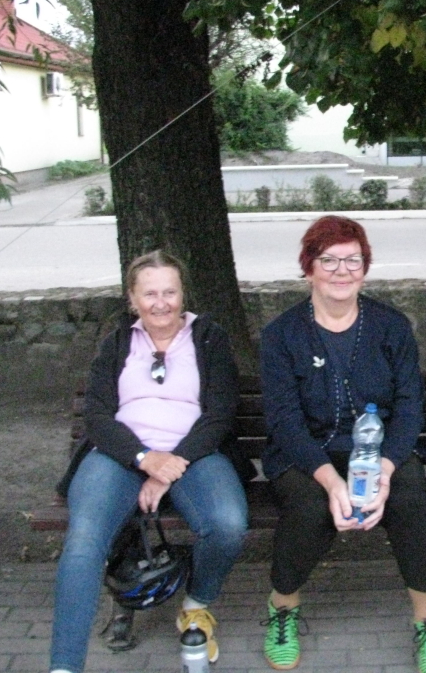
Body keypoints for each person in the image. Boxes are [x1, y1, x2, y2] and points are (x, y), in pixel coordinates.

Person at [258, 215, 426, 673]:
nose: (341, 271)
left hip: (382, 451)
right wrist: (332, 482)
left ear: (365, 267)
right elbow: (285, 421)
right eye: (329, 260)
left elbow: (409, 406)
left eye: (353, 260)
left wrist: (385, 469)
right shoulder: (282, 334)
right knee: (310, 509)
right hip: (306, 455)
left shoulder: (390, 326)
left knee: (410, 500)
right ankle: (282, 607)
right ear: (309, 267)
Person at [49, 250, 248, 673]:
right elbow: (97, 416)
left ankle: (195, 605)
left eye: (169, 292)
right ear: (132, 298)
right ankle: (64, 666)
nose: (161, 303)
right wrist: (145, 459)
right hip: (119, 456)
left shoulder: (208, 338)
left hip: (194, 454)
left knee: (228, 525)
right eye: (150, 294)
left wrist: (171, 463)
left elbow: (220, 413)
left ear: (182, 294)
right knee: (84, 541)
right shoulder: (118, 341)